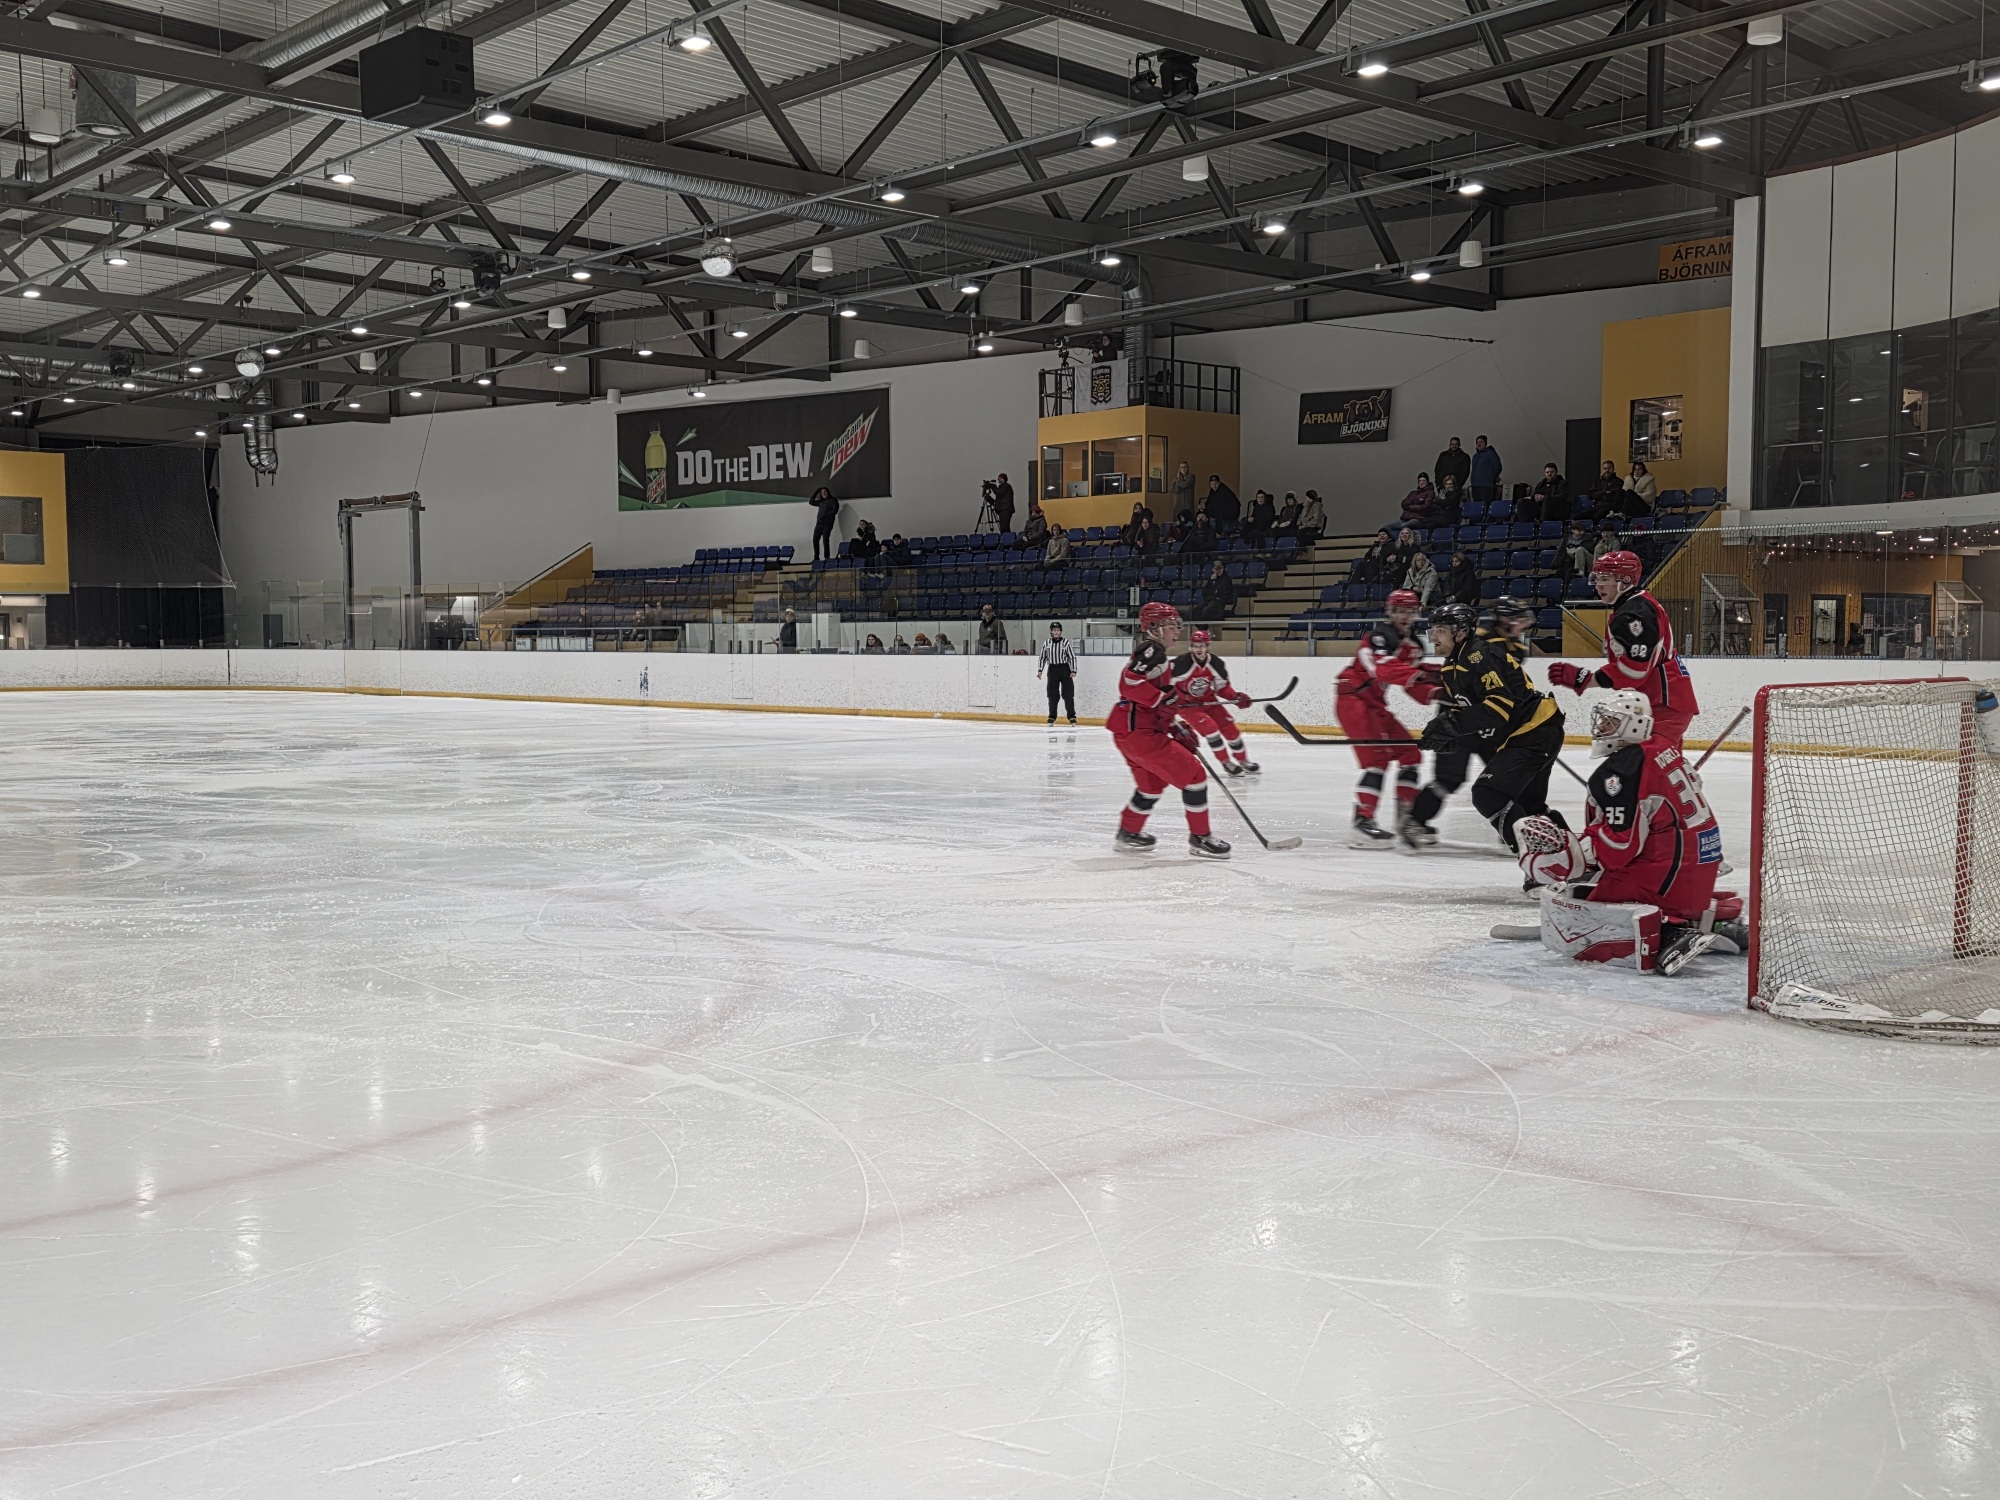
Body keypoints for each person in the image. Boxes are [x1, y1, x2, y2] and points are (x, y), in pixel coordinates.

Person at [1516, 689, 1740, 975]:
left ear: (1634, 725)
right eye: (1602, 720)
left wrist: (1580, 850)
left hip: (1669, 876)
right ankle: (1714, 921)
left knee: (1585, 910)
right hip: (1701, 869)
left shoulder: (1620, 771)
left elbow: (1620, 850)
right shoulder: (1663, 746)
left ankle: (1669, 929)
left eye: (1610, 722)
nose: (1600, 727)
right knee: (1595, 886)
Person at [1403, 601, 1566, 855]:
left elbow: (1498, 706)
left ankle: (1536, 854)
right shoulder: (1453, 663)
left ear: (1460, 632)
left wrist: (1451, 726)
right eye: (1432, 630)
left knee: (1490, 793)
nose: (1432, 637)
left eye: (1440, 631)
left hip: (1530, 730)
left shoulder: (1477, 654)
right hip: (1517, 729)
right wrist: (1448, 731)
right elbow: (1475, 705)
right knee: (1525, 802)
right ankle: (1567, 852)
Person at [1108, 600, 1231, 859]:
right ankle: (1200, 838)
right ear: (1154, 627)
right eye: (1171, 625)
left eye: (1178, 624)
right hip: (1140, 733)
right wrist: (1163, 701)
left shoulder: (1156, 653)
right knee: (1195, 776)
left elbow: (1153, 698)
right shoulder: (1153, 649)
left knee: (1151, 785)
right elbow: (1128, 684)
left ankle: (1129, 833)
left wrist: (1174, 725)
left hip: (1130, 733)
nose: (1177, 630)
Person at [1546, 549, 1698, 746]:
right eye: (1597, 578)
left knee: (1641, 761)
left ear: (1625, 580)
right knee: (1645, 760)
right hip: (1659, 700)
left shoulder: (1635, 613)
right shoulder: (1633, 606)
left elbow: (1635, 669)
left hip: (1664, 702)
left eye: (1605, 579)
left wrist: (1585, 679)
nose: (1598, 585)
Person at [1335, 588, 1434, 846]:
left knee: (1410, 754)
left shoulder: (1415, 646)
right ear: (1391, 612)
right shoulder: (1379, 636)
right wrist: (1423, 675)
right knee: (1377, 760)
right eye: (1400, 611)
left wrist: (1441, 691)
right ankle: (1363, 819)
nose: (1405, 616)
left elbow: (1413, 685)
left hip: (1376, 704)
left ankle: (1405, 817)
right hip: (1353, 700)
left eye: (1409, 611)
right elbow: (1383, 670)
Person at [1172, 628, 1258, 775]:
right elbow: (1165, 684)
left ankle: (1243, 760)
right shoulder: (1181, 663)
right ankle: (1226, 762)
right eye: (1195, 646)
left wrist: (1235, 697)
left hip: (1209, 701)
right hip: (1187, 706)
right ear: (1191, 646)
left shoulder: (1216, 663)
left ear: (1208, 646)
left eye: (1202, 645)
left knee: (1230, 728)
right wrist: (1169, 702)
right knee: (1210, 729)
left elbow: (1222, 687)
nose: (1199, 649)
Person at [1038, 621, 1079, 725]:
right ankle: (1052, 716)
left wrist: (1073, 670)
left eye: (1058, 630)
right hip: (1052, 669)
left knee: (1068, 694)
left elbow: (1072, 657)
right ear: (1051, 632)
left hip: (1064, 669)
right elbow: (1042, 658)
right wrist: (1040, 670)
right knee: (1052, 695)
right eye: (1054, 630)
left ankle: (1072, 716)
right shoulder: (1047, 643)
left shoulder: (1065, 643)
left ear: (1060, 631)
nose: (1056, 632)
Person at [808, 485, 841, 562]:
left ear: (828, 492)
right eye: (822, 492)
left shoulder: (833, 500)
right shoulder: (821, 502)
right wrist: (816, 491)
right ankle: (816, 558)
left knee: (825, 539)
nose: (824, 493)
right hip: (819, 524)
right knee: (815, 539)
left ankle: (826, 557)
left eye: (825, 491)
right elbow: (811, 502)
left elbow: (835, 510)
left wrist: (825, 515)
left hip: (827, 524)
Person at [1469, 435, 1502, 506]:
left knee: (1486, 505)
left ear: (1485, 443)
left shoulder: (1491, 454)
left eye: (1481, 442)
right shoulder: (1475, 456)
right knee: (1477, 506)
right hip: (1475, 485)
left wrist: (1490, 478)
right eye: (1477, 442)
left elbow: (1498, 467)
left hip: (1486, 486)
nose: (1479, 444)